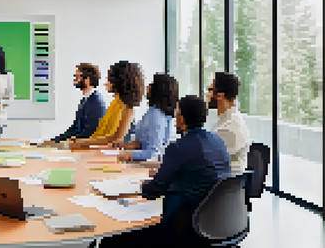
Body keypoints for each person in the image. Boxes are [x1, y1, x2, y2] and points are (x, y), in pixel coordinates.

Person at [98, 95, 231, 248]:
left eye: (177, 113)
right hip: (216, 221)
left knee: (109, 242)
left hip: (183, 226)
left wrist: (141, 185)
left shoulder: (178, 147)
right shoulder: (218, 141)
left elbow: (153, 191)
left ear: (181, 118)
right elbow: (201, 174)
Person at [69, 61, 145, 149]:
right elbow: (101, 134)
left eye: (109, 79)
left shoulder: (127, 108)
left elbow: (115, 138)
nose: (105, 83)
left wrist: (82, 142)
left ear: (118, 82)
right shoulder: (114, 103)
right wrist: (80, 142)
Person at [112, 73, 179, 162]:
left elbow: (153, 153)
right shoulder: (154, 112)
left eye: (151, 84)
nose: (148, 87)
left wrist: (128, 155)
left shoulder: (156, 116)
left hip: (146, 166)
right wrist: (124, 145)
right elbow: (143, 142)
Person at [40, 63, 106, 144]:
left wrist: (67, 142)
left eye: (78, 77)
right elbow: (75, 129)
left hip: (87, 147)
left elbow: (89, 133)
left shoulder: (96, 102)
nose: (75, 80)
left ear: (87, 80)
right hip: (79, 144)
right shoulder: (85, 100)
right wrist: (53, 141)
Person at [207, 72, 251, 175]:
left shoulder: (230, 127)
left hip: (220, 186)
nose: (207, 95)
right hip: (219, 181)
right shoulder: (225, 121)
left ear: (220, 95)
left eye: (210, 90)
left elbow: (204, 159)